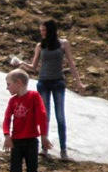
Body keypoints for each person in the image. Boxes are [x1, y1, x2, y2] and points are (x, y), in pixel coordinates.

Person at [21, 19, 86, 160]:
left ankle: (63, 150)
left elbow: (71, 63)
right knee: (45, 117)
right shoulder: (40, 46)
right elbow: (33, 67)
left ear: (51, 31)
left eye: (44, 31)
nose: (42, 33)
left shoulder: (63, 44)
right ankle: (44, 148)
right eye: (41, 31)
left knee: (60, 117)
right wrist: (21, 64)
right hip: (43, 83)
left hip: (58, 83)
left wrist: (79, 83)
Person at [3, 69, 50, 172]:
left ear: (19, 83)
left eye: (9, 84)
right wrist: (7, 135)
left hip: (31, 142)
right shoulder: (13, 101)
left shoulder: (34, 96)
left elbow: (42, 116)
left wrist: (43, 136)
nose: (7, 88)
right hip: (16, 142)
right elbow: (6, 119)